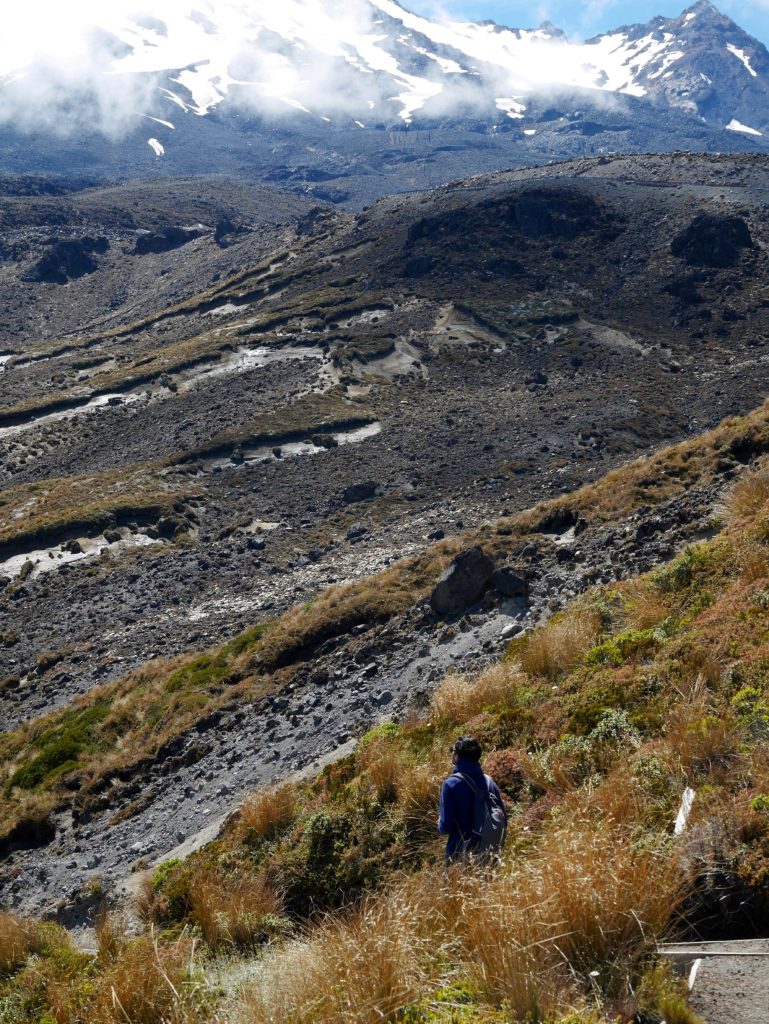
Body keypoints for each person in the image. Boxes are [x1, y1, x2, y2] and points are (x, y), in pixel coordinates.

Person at [438, 735, 507, 863]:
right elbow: (503, 818)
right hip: (489, 855)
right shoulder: (489, 782)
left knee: (456, 884)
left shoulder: (451, 784)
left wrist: (439, 823)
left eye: (452, 750)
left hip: (460, 854)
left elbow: (445, 827)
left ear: (457, 756)